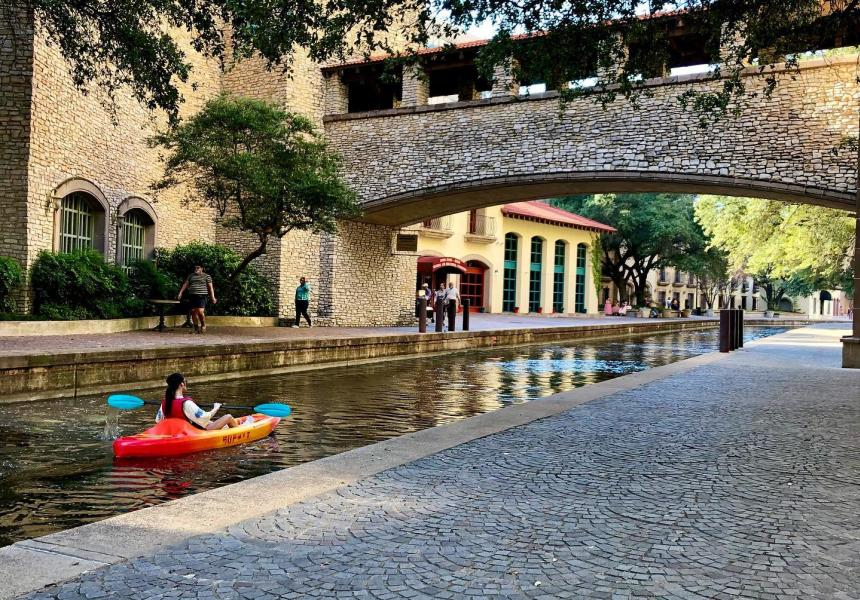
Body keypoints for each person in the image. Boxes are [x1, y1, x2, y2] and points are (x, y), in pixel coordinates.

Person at [156, 372, 247, 429]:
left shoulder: (165, 402)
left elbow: (158, 420)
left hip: (179, 431)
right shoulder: (186, 403)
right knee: (228, 417)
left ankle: (232, 427)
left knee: (213, 423)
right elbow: (205, 417)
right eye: (185, 382)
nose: (186, 384)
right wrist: (216, 407)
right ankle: (241, 432)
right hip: (194, 432)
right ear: (181, 384)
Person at [177, 265, 216, 334]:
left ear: (202, 268)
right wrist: (180, 292)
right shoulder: (191, 276)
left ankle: (203, 324)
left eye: (198, 268)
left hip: (202, 296)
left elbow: (210, 287)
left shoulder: (207, 276)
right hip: (192, 296)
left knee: (200, 311)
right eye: (195, 268)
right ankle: (196, 328)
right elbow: (185, 284)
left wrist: (213, 297)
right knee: (193, 311)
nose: (196, 269)